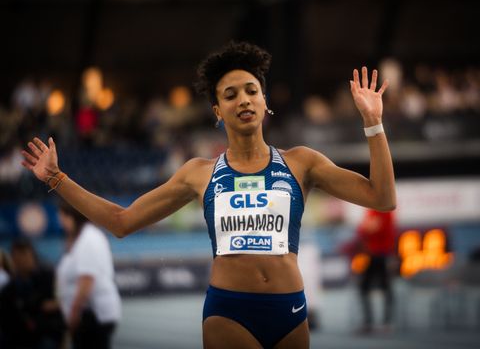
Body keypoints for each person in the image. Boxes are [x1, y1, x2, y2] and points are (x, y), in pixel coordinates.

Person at [20, 41, 396, 348]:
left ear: (266, 102)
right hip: (229, 313)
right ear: (218, 111)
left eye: (252, 91)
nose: (244, 100)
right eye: (231, 95)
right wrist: (57, 179)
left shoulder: (302, 163)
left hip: (291, 311)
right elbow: (122, 222)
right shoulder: (199, 173)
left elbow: (382, 198)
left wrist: (373, 123)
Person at [55, 200, 121, 349]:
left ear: (71, 216)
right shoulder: (81, 238)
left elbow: (87, 279)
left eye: (62, 218)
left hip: (93, 314)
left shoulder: (89, 238)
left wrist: (74, 312)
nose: (61, 223)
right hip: (89, 314)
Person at [0, 238, 65, 349]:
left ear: (32, 256)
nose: (20, 261)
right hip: (19, 337)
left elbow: (57, 304)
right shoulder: (11, 287)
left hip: (46, 333)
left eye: (23, 256)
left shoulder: (47, 275)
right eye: (16, 258)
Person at [355, 209, 396, 333]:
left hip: (382, 254)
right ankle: (369, 322)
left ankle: (386, 322)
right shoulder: (372, 211)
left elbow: (370, 229)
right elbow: (362, 230)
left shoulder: (384, 210)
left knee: (386, 288)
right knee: (364, 288)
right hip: (372, 255)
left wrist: (367, 227)